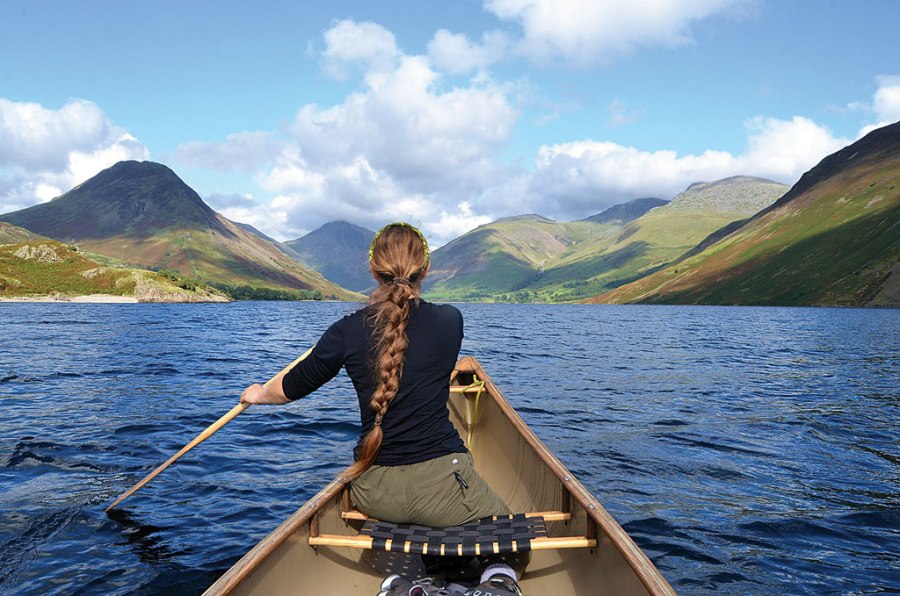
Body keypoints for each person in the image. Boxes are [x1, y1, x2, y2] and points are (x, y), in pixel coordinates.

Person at [239, 222, 509, 528]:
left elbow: (291, 388)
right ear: (427, 268)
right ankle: (495, 572)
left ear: (372, 270)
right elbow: (424, 362)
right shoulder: (450, 321)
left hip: (374, 492)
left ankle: (401, 573)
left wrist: (258, 394)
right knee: (510, 535)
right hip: (445, 486)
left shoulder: (347, 330)